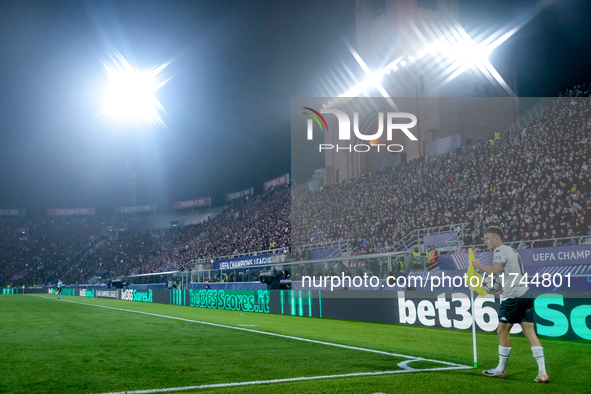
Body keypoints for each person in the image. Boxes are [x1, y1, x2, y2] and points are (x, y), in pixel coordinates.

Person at [473, 226, 549, 383]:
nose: (485, 241)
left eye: (487, 238)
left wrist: (478, 266)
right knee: (529, 332)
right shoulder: (512, 250)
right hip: (525, 293)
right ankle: (542, 372)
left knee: (502, 331)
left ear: (497, 239)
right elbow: (509, 274)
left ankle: (501, 370)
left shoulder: (499, 251)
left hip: (513, 297)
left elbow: (494, 271)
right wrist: (500, 290)